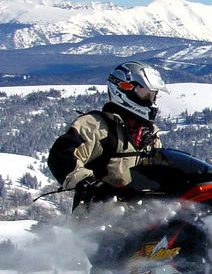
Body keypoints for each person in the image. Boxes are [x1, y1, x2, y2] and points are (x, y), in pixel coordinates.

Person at [48, 60, 166, 210]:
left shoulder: (149, 134)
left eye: (153, 96)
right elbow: (61, 157)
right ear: (123, 89)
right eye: (144, 95)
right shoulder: (95, 126)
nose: (150, 102)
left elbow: (162, 167)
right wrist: (89, 184)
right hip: (98, 218)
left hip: (139, 217)